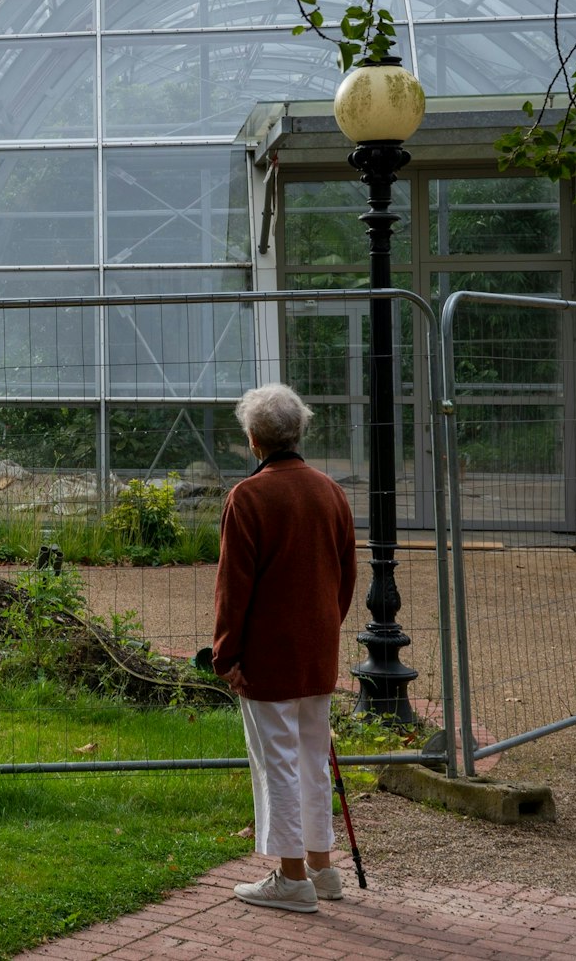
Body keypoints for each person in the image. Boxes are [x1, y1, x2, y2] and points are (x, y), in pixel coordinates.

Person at [213, 383, 358, 914]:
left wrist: (225, 655)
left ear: (254, 441)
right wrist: (324, 630)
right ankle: (322, 868)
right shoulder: (330, 491)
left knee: (277, 761)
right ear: (299, 432)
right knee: (312, 759)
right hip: (318, 650)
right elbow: (345, 578)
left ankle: (291, 878)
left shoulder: (248, 497)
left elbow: (234, 588)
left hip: (268, 656)